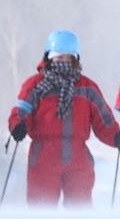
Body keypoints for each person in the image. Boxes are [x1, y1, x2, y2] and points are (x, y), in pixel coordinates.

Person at [9, 30, 119, 207]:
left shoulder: (87, 88)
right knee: (41, 210)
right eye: (59, 58)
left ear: (76, 59)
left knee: (80, 210)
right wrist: (17, 126)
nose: (64, 62)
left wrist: (115, 136)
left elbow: (104, 121)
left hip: (78, 158)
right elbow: (21, 111)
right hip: (44, 156)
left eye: (69, 58)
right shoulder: (36, 85)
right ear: (49, 58)